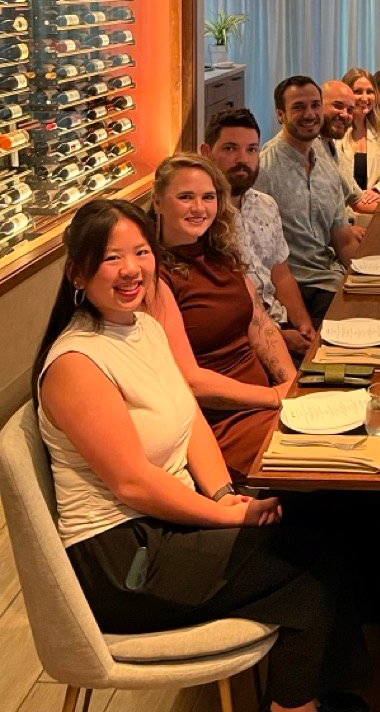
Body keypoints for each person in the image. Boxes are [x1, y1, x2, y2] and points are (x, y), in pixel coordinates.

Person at [33, 199, 341, 712]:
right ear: (78, 273)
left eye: (140, 252)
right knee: (309, 569)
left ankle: (322, 689)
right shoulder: (77, 364)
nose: (132, 269)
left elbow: (189, 416)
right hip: (122, 559)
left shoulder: (142, 327)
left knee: (322, 518)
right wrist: (226, 516)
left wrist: (224, 495)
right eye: (112, 259)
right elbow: (132, 485)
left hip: (164, 522)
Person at [150, 153, 297, 477]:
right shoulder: (157, 276)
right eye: (185, 197)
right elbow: (191, 381)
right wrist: (273, 396)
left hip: (269, 404)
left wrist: (291, 385)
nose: (199, 208)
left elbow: (259, 323)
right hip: (223, 423)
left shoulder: (222, 255)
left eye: (208, 197)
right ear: (158, 202)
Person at [201, 107, 317, 361]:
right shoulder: (200, 218)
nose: (243, 159)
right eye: (230, 149)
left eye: (251, 149)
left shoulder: (266, 205)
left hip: (281, 325)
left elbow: (281, 275)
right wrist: (278, 337)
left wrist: (305, 326)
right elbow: (220, 309)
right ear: (206, 153)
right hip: (243, 345)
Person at [256, 76, 364, 324]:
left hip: (330, 277)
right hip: (297, 289)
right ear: (281, 115)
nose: (310, 114)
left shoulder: (325, 161)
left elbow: (343, 237)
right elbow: (263, 259)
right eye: (298, 107)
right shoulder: (264, 169)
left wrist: (369, 280)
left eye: (315, 105)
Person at [336, 68, 380, 201]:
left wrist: (376, 190)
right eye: (358, 92)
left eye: (370, 92)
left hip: (372, 202)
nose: (365, 98)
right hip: (344, 206)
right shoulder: (335, 134)